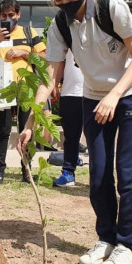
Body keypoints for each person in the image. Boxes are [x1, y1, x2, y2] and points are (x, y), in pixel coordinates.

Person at [19, 0, 132, 264]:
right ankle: (106, 239)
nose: (65, 5)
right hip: (94, 99)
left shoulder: (112, 7)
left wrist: (115, 95)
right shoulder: (60, 25)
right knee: (99, 175)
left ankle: (128, 246)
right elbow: (50, 76)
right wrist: (31, 122)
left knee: (130, 175)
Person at [0, 0, 47, 185]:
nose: (8, 18)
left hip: (26, 88)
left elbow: (44, 57)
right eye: (3, 15)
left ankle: (27, 169)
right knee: (2, 130)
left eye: (11, 15)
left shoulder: (29, 32)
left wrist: (23, 53)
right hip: (2, 91)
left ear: (18, 14)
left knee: (26, 129)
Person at [53, 50, 84, 187]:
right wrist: (55, 83)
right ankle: (68, 172)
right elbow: (60, 60)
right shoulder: (68, 31)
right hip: (70, 92)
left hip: (95, 92)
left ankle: (100, 176)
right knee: (70, 137)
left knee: (97, 138)